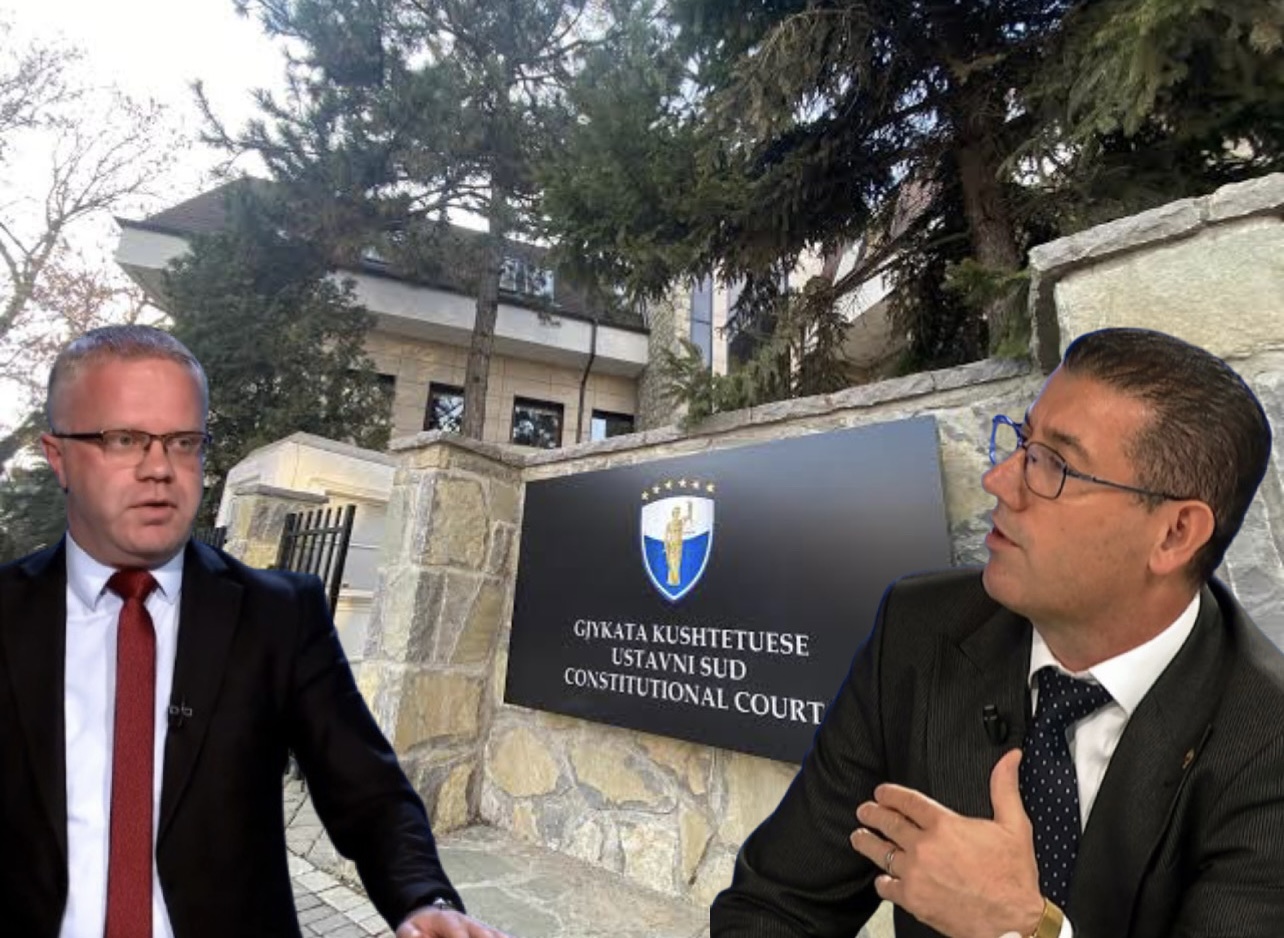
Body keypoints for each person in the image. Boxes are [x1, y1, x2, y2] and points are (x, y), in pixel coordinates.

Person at [711, 327, 1284, 938]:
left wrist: (1027, 927)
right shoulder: (921, 631)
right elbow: (774, 908)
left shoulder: (1267, 741)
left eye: (1054, 465)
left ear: (1174, 534)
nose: (1000, 481)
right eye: (1023, 442)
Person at [0, 325, 509, 938]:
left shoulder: (280, 616)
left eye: (184, 442)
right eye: (124, 439)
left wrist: (425, 899)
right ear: (58, 456)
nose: (159, 468)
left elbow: (370, 793)